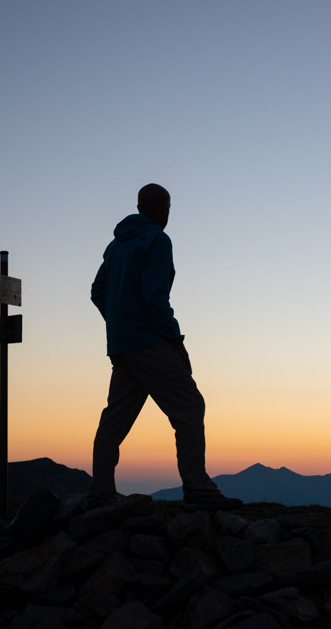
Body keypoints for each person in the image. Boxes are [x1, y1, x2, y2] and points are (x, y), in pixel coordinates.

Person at [88, 183, 241, 511]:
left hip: (122, 346)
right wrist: (174, 341)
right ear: (161, 209)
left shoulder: (116, 246)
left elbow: (98, 291)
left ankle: (100, 491)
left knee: (115, 418)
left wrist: (119, 323)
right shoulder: (157, 240)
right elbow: (155, 297)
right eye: (168, 207)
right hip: (149, 341)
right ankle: (197, 486)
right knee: (189, 408)